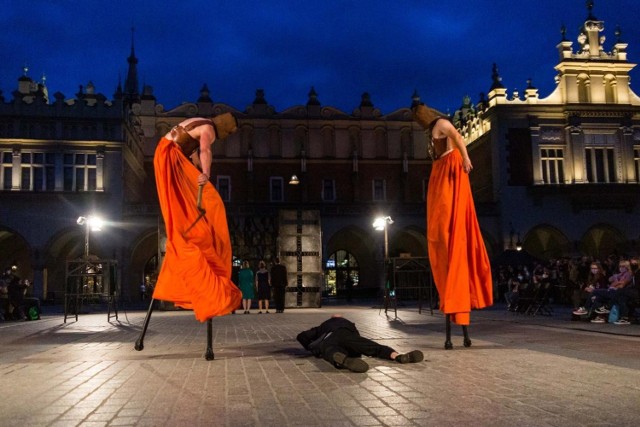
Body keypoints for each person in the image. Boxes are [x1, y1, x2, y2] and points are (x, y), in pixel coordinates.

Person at [152, 113, 242, 322]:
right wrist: (206, 174)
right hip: (169, 155)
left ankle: (194, 226)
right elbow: (204, 150)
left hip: (167, 154)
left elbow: (193, 156)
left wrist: (198, 170)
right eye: (229, 133)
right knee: (214, 201)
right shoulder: (208, 129)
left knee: (190, 201)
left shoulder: (200, 121)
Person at [413, 104, 493, 326]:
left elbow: (457, 136)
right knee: (440, 222)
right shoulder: (432, 130)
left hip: (450, 166)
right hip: (442, 169)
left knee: (450, 212)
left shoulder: (441, 124)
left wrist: (465, 157)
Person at [296, 314, 424, 373]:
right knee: (373, 347)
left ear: (331, 318)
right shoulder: (349, 324)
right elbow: (359, 338)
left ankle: (343, 360)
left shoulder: (323, 326)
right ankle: (397, 356)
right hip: (349, 337)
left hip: (330, 338)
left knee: (329, 350)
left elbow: (301, 336)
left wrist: (311, 347)